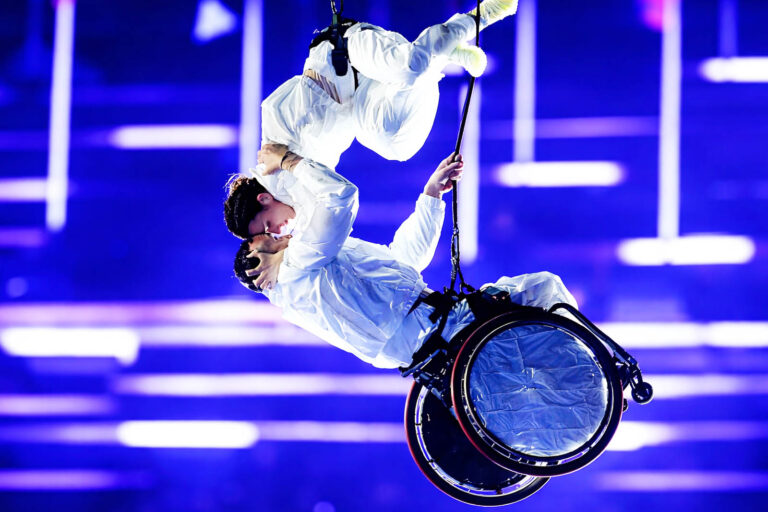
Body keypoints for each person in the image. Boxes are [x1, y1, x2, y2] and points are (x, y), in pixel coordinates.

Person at [233, 148, 578, 369]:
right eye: (267, 233)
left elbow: (402, 262)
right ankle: (599, 370)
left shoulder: (313, 266)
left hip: (435, 334)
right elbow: (340, 196)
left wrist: (430, 196)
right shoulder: (302, 263)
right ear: (255, 258)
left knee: (539, 339)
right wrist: (290, 161)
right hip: (440, 332)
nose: (279, 231)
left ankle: (597, 373)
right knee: (542, 291)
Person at [224, 0, 520, 240]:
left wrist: (284, 158)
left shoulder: (272, 139)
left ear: (263, 200)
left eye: (266, 226)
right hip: (356, 105)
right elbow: (332, 198)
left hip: (344, 55)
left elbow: (299, 109)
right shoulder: (297, 193)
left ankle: (476, 18)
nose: (277, 232)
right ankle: (441, 56)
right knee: (397, 147)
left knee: (410, 67)